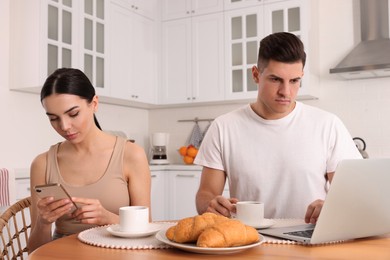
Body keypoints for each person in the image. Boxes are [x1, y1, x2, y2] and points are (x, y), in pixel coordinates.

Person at [194, 32, 362, 224]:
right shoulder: (223, 127)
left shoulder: (328, 125)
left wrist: (333, 208)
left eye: (294, 81)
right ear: (256, 75)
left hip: (311, 238)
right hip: (249, 239)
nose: (286, 92)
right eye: (276, 79)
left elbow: (354, 196)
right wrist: (210, 204)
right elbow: (205, 193)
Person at [28, 68, 151, 252]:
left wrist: (108, 218)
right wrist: (43, 223)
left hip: (119, 253)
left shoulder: (131, 155)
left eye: (73, 114)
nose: (64, 126)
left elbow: (146, 229)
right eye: (54, 118)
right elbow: (34, 252)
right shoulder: (42, 164)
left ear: (94, 103)